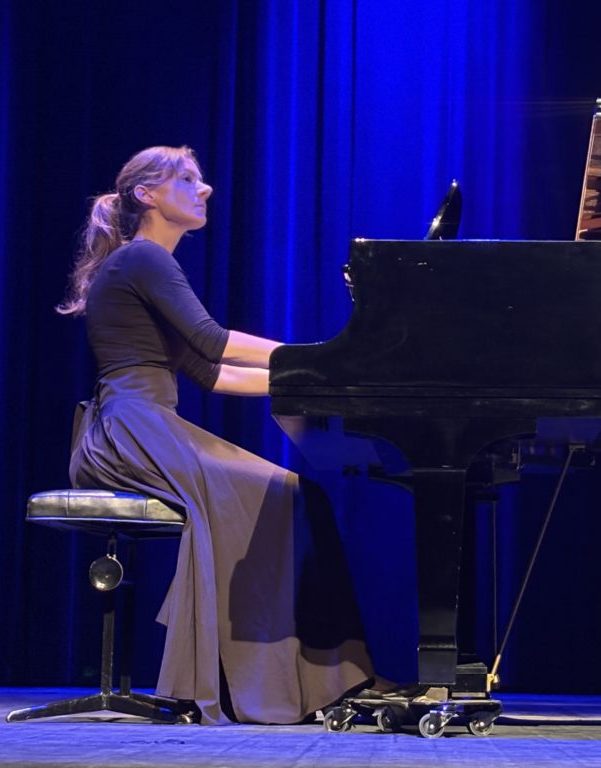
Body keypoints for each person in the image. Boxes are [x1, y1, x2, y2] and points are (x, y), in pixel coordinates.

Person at [57, 146, 373, 725]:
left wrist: (319, 377)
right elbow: (213, 340)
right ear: (146, 195)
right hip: (133, 429)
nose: (204, 189)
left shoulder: (144, 263)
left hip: (144, 425)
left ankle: (299, 681)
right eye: (186, 179)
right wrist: (321, 357)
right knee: (285, 497)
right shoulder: (143, 258)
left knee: (296, 496)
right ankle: (274, 683)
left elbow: (214, 374)